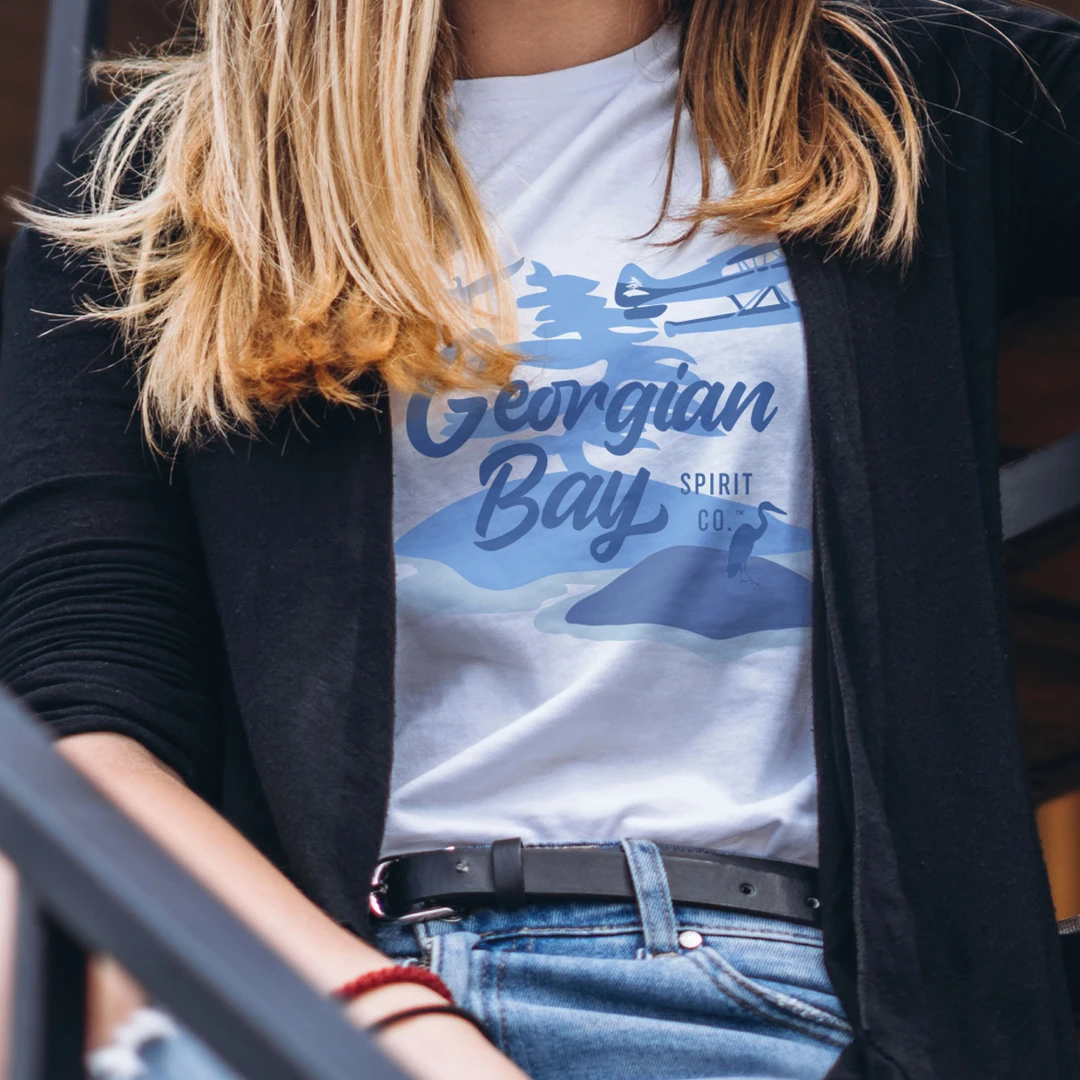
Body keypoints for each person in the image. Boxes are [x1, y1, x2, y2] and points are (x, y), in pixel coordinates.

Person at [1, 0, 1078, 1076]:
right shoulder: (165, 176)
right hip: (326, 998)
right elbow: (80, 729)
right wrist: (382, 1025)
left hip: (776, 1005)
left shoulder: (915, 102)